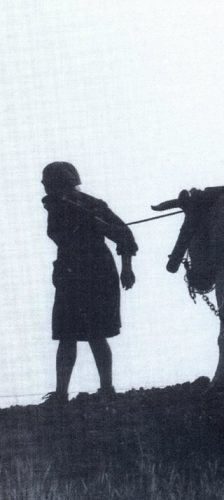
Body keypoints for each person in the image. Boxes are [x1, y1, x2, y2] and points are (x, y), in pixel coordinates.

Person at [41, 162, 138, 405]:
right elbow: (60, 235)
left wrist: (127, 268)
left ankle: (106, 389)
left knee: (94, 334)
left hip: (94, 274)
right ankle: (62, 393)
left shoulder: (90, 205)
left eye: (47, 182)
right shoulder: (60, 206)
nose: (43, 187)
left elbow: (124, 235)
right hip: (72, 274)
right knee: (67, 334)